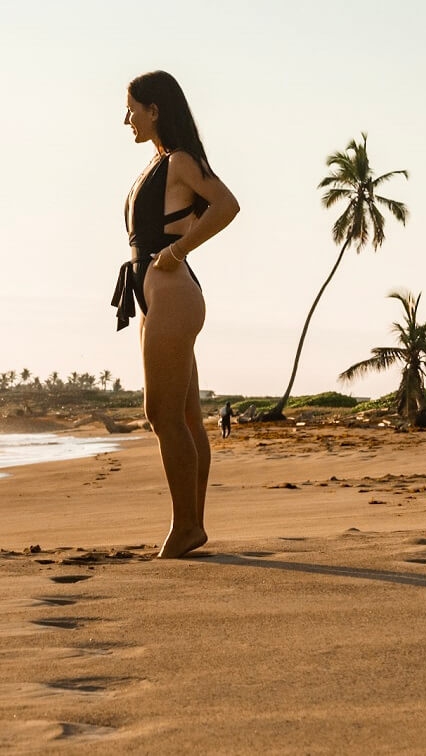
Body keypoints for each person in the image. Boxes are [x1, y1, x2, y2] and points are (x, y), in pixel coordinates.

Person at [111, 70, 240, 558]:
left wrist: (180, 249)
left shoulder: (181, 161)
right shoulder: (157, 164)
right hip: (155, 293)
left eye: (133, 109)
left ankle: (185, 526)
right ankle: (191, 525)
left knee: (160, 414)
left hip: (172, 291)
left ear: (155, 110)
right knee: (184, 416)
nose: (128, 119)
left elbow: (226, 206)